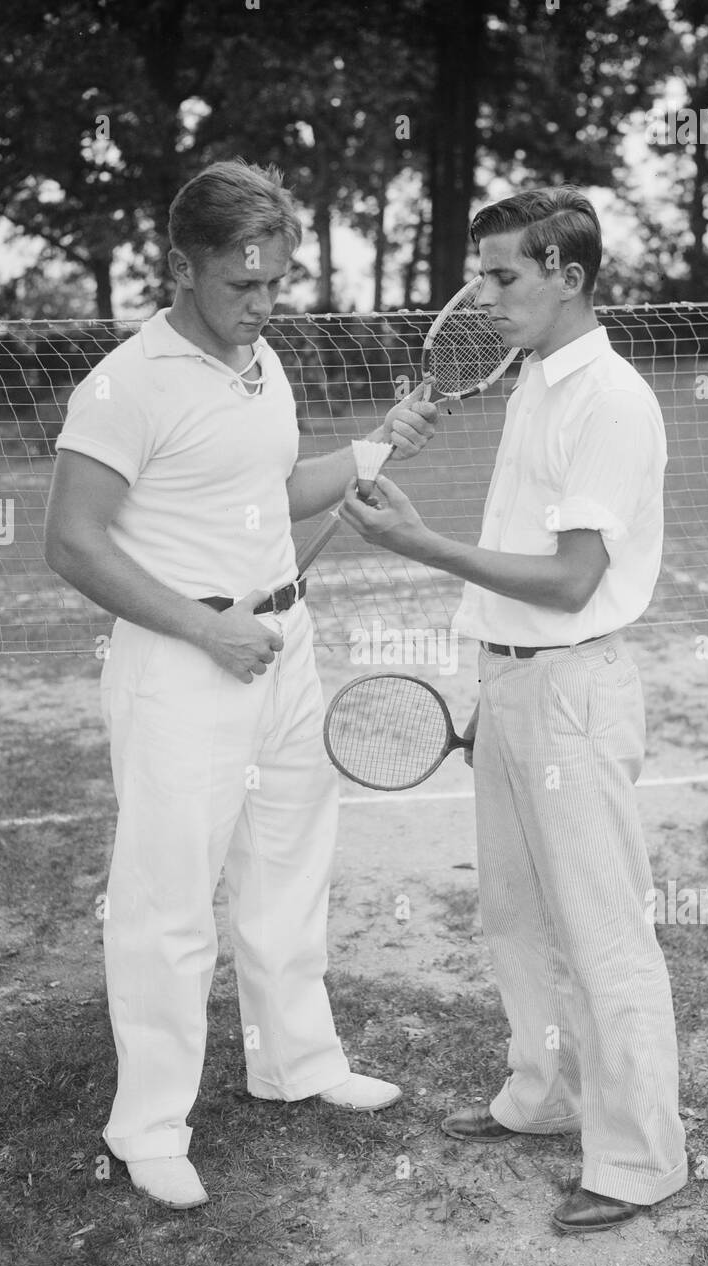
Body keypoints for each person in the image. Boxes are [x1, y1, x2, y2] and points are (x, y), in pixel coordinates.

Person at [44, 158, 438, 1209]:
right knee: (168, 901)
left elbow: (274, 487)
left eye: (275, 285)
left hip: (282, 647)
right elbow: (72, 541)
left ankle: (295, 1062)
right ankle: (147, 1127)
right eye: (242, 285)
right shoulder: (126, 384)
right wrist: (204, 627)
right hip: (184, 661)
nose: (263, 305)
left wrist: (372, 449)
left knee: (288, 867)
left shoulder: (262, 360)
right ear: (183, 266)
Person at [340, 187, 687, 1234]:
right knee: (515, 916)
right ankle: (543, 1096)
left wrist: (419, 544)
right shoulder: (536, 377)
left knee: (603, 931)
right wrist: (495, 687)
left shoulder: (611, 399)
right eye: (478, 278)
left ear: (569, 278)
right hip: (512, 683)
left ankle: (641, 1161)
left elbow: (573, 580)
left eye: (503, 277)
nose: (483, 298)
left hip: (573, 689)